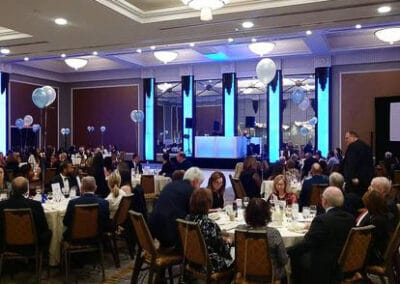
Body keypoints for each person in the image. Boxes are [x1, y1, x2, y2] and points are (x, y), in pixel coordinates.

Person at [288, 186, 355, 284]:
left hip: (324, 265)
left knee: (295, 255)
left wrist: (287, 251)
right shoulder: (350, 218)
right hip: (343, 262)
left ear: (325, 201)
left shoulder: (321, 220)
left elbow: (306, 244)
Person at [148, 167, 204, 248]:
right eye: (200, 184)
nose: (199, 187)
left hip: (152, 228)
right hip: (170, 235)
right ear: (195, 182)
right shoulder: (192, 191)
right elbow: (195, 216)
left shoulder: (170, 185)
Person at [236, 198, 289, 281]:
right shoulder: (273, 233)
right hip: (271, 277)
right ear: (268, 214)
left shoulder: (240, 230)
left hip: (246, 274)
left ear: (246, 213)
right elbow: (284, 260)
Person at [185, 188, 233, 272]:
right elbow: (222, 249)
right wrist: (229, 241)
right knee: (237, 256)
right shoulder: (208, 223)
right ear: (208, 204)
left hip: (193, 261)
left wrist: (220, 233)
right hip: (209, 264)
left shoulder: (188, 218)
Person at [0, 177, 52, 247]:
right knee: (48, 232)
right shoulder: (35, 205)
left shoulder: (2, 205)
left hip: (7, 243)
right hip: (32, 244)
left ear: (12, 189)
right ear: (25, 190)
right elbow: (43, 226)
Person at [63, 176, 109, 240]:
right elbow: (105, 222)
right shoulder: (104, 203)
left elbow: (66, 222)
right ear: (95, 188)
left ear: (81, 188)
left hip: (76, 237)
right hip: (97, 236)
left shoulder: (72, 203)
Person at [357, 190, 390, 265]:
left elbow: (370, 241)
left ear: (370, 205)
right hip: (376, 250)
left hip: (374, 256)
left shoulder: (376, 220)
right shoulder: (380, 215)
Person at [342, 131, 374, 196]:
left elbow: (350, 164)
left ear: (353, 137)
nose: (345, 140)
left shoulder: (352, 146)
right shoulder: (367, 146)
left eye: (347, 138)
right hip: (366, 181)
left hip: (354, 184)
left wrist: (351, 178)